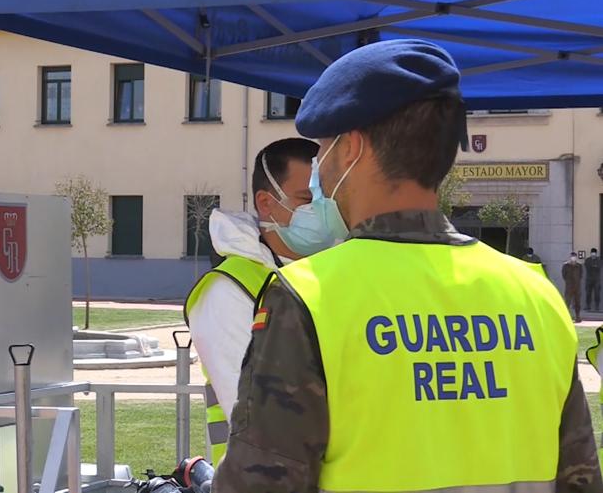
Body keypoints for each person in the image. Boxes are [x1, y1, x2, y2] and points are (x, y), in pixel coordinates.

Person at [213, 40, 601, 492]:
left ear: (352, 147)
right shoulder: (537, 296)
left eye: (323, 149)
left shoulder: (308, 297)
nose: (319, 167)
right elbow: (581, 480)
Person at [184, 137, 320, 465]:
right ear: (266, 203)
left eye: (327, 202)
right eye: (308, 200)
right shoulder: (228, 289)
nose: (323, 213)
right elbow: (262, 420)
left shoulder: (325, 274)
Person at [564, 251, 584, 322]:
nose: (573, 258)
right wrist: (568, 282)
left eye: (574, 256)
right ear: (570, 257)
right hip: (569, 286)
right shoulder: (566, 265)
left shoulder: (579, 265)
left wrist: (577, 281)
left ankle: (577, 316)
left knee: (577, 302)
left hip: (577, 286)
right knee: (567, 302)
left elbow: (581, 275)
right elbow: (564, 275)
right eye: (572, 256)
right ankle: (566, 317)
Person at [587, 248, 601, 312]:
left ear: (596, 253)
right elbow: (587, 267)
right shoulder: (588, 260)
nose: (593, 254)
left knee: (597, 293)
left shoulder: (599, 260)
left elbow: (599, 267)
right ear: (590, 253)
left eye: (594, 252)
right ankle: (588, 306)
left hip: (597, 280)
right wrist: (594, 266)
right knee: (588, 293)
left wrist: (593, 266)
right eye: (592, 252)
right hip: (589, 279)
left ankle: (597, 306)